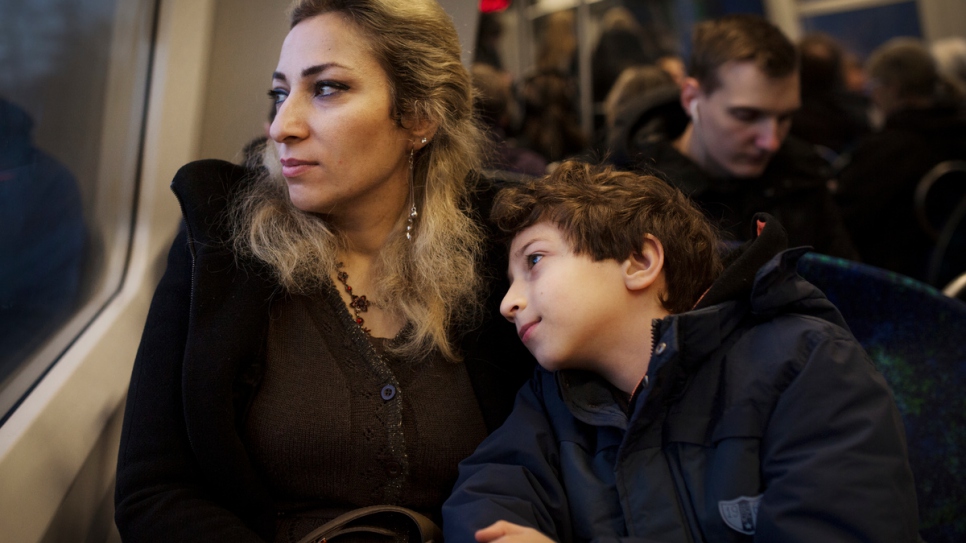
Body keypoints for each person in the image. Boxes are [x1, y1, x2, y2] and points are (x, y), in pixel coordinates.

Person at [113, 1, 534, 542]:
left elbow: (561, 456)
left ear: (421, 117)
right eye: (280, 93)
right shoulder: (222, 236)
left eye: (327, 88)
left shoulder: (503, 244)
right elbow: (154, 490)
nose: (282, 126)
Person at [442, 160, 919, 543]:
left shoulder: (805, 364)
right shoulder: (554, 403)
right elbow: (485, 496)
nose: (508, 304)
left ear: (640, 261)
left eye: (535, 261)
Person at [622, 15, 857, 259]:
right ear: (691, 98)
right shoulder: (626, 195)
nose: (771, 142)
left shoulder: (803, 177)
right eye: (746, 116)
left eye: (784, 118)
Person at [835, 37, 966, 282]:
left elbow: (846, 218)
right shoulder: (956, 130)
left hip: (902, 281)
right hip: (955, 274)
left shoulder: (889, 149)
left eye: (872, 86)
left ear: (891, 88)